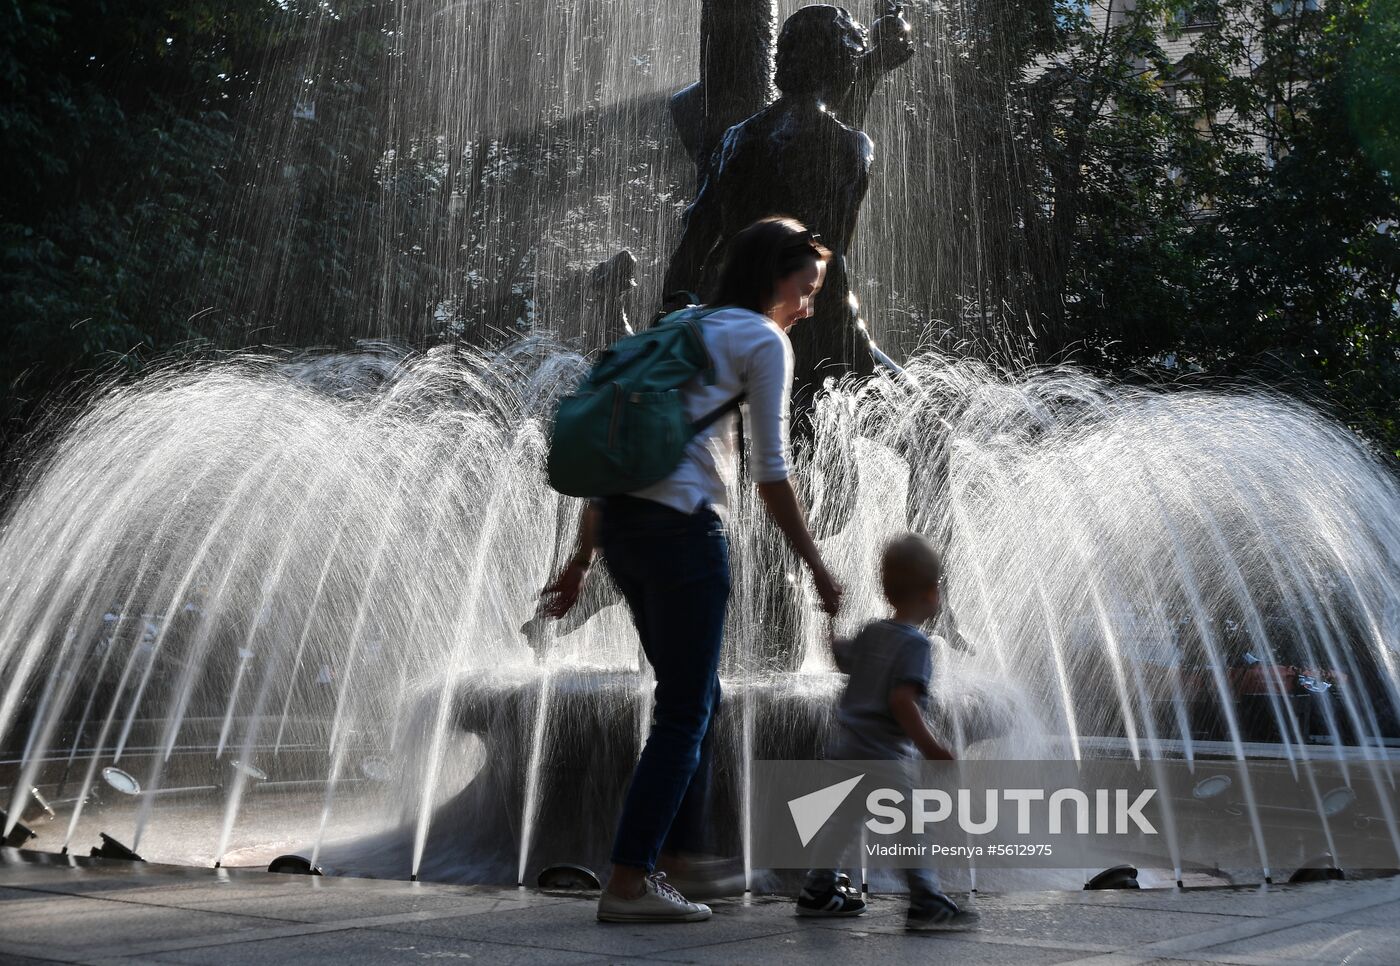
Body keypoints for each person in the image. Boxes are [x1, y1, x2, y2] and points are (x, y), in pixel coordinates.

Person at [540, 216, 845, 923]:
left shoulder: (685, 325)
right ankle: (628, 880)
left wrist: (583, 558)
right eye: (807, 288)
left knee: (696, 698)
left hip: (625, 533)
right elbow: (772, 475)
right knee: (684, 711)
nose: (809, 306)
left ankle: (682, 862)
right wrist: (819, 567)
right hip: (683, 536)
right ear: (776, 276)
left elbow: (625, 454)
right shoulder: (762, 341)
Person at [796, 533, 977, 930]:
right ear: (932, 593)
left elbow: (840, 659)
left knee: (841, 823)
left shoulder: (872, 631)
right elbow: (902, 702)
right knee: (912, 826)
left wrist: (829, 619)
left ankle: (818, 889)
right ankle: (926, 900)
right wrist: (932, 747)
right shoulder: (916, 644)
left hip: (847, 750)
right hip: (884, 757)